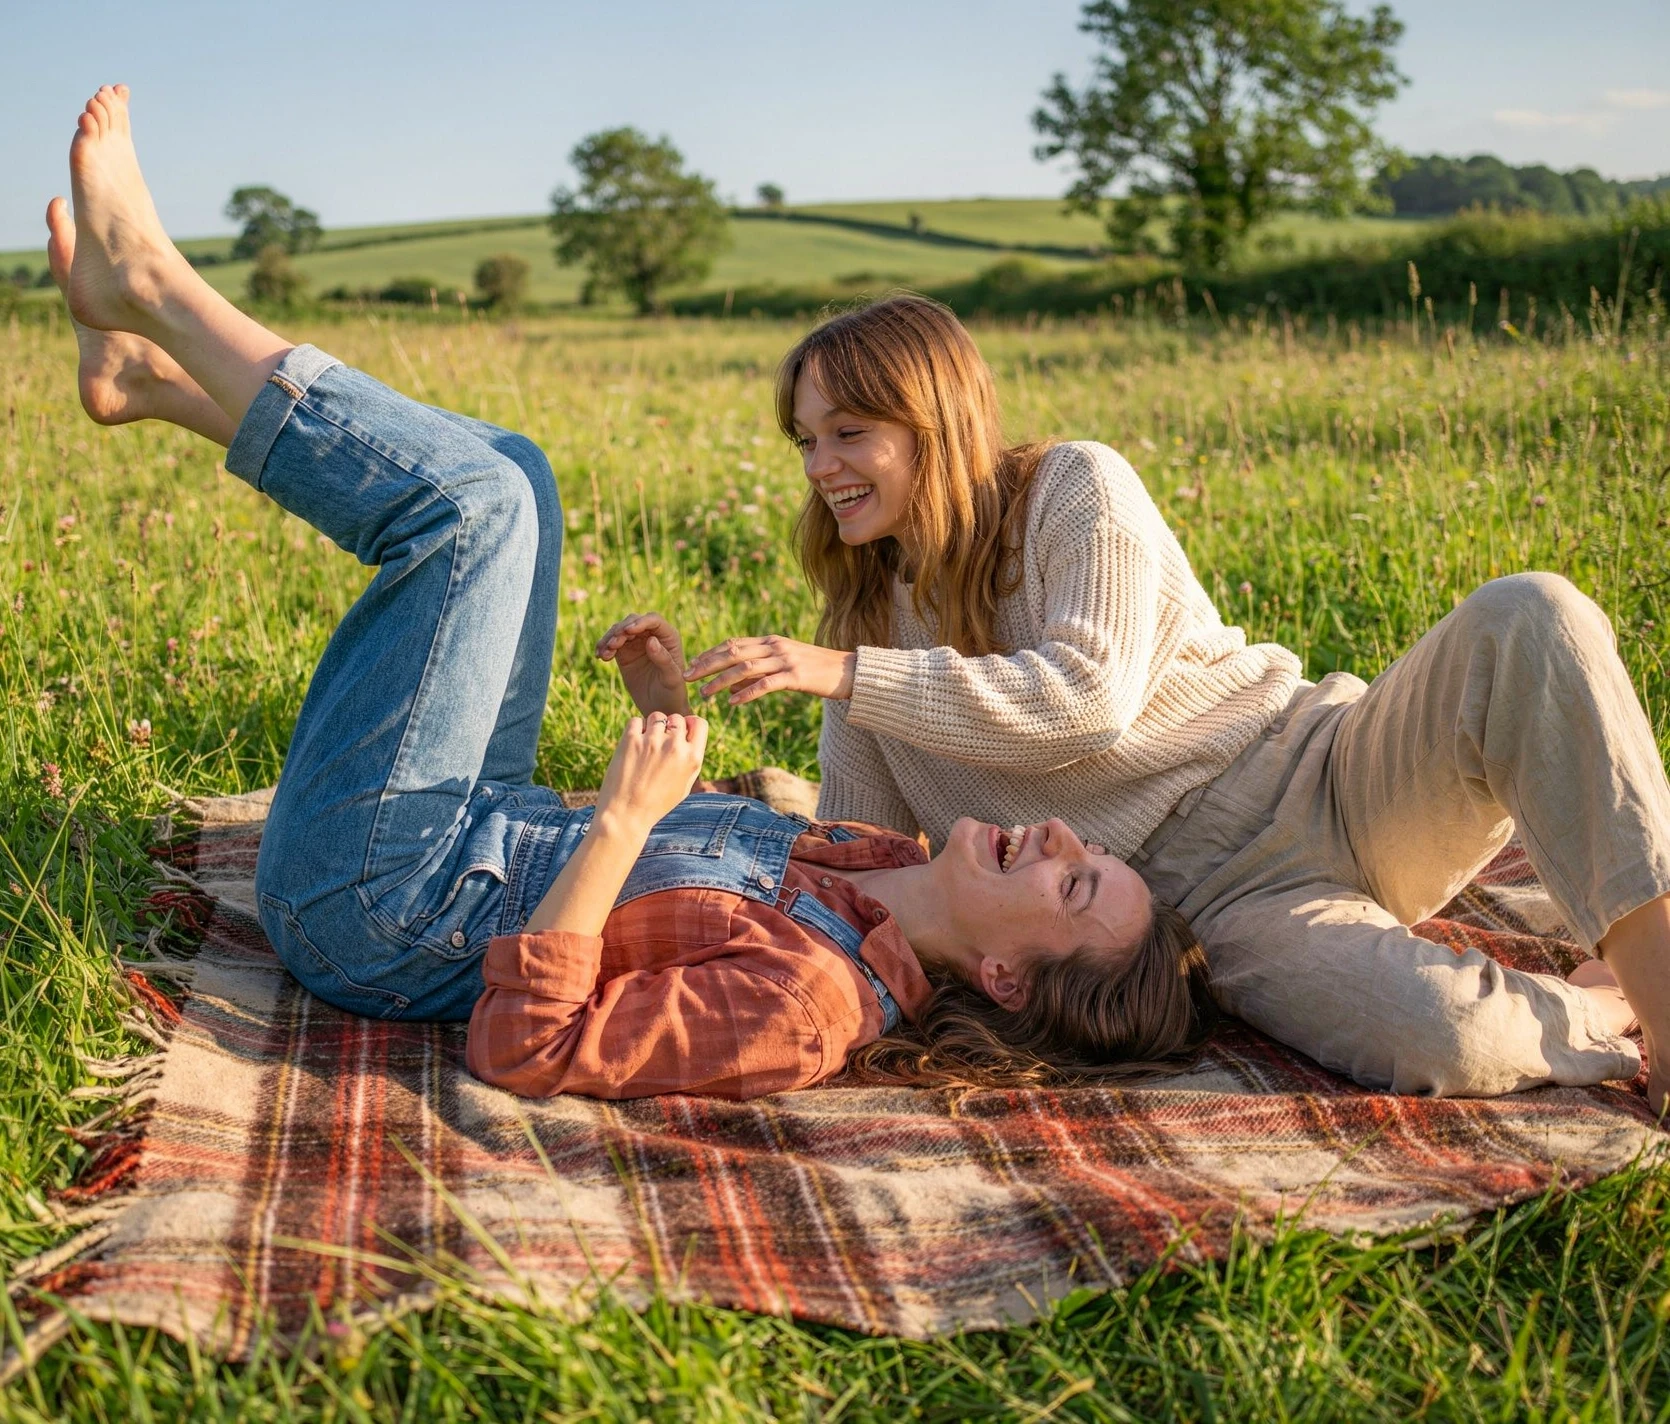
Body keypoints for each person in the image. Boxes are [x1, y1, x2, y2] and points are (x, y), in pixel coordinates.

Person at [43, 86, 1216, 1100]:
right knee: (522, 479)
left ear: (1006, 977)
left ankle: (150, 282)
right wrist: (671, 733)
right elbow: (679, 881)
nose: (1062, 834)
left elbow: (524, 1042)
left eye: (1073, 879)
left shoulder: (811, 1004)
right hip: (471, 830)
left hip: (377, 903)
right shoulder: (867, 853)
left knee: (473, 514)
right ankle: (157, 379)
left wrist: (620, 817)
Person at [601, 292, 1670, 1109]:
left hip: (1327, 768)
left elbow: (1089, 698)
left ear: (930, 421)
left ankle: (1661, 986)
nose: (819, 466)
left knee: (1530, 612)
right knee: (1441, 1030)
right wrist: (672, 730)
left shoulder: (1071, 488)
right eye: (804, 439)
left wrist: (844, 672)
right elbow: (875, 864)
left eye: (846, 433)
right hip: (1209, 910)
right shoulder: (872, 637)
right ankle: (1594, 1004)